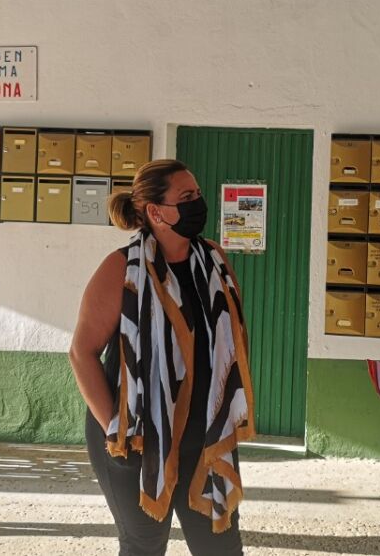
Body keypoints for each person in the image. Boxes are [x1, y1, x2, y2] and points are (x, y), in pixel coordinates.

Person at [70, 159, 255, 556]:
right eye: (186, 197)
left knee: (222, 547)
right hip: (138, 437)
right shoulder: (120, 268)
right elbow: (81, 353)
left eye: (198, 194)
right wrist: (116, 430)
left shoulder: (215, 260)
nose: (198, 203)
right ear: (155, 212)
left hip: (205, 436)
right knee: (143, 546)